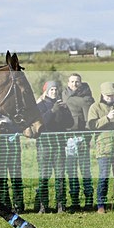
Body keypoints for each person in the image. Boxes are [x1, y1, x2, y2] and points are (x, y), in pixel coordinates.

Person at [87, 82, 114, 213]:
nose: (110, 98)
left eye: (112, 95)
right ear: (101, 94)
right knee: (104, 177)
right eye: (107, 95)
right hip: (104, 149)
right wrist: (107, 118)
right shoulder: (95, 107)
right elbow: (91, 125)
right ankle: (101, 205)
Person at [35, 81, 74, 213]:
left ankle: (61, 205)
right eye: (51, 90)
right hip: (44, 145)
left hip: (59, 145)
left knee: (60, 176)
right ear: (46, 91)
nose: (54, 92)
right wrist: (52, 111)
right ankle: (43, 206)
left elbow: (70, 123)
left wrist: (65, 110)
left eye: (56, 90)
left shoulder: (62, 105)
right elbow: (42, 123)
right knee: (44, 177)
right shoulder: (39, 106)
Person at [62, 73, 95, 210]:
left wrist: (87, 138)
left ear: (81, 83)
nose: (74, 84)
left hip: (81, 138)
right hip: (67, 139)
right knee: (71, 171)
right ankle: (75, 201)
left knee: (85, 170)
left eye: (77, 81)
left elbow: (89, 120)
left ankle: (88, 201)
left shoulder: (87, 98)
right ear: (68, 83)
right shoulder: (63, 95)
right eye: (72, 81)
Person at [0, 114, 25, 213]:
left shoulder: (15, 114)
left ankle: (18, 206)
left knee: (16, 178)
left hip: (13, 148)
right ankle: (4, 205)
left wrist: (9, 126)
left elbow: (21, 127)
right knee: (1, 179)